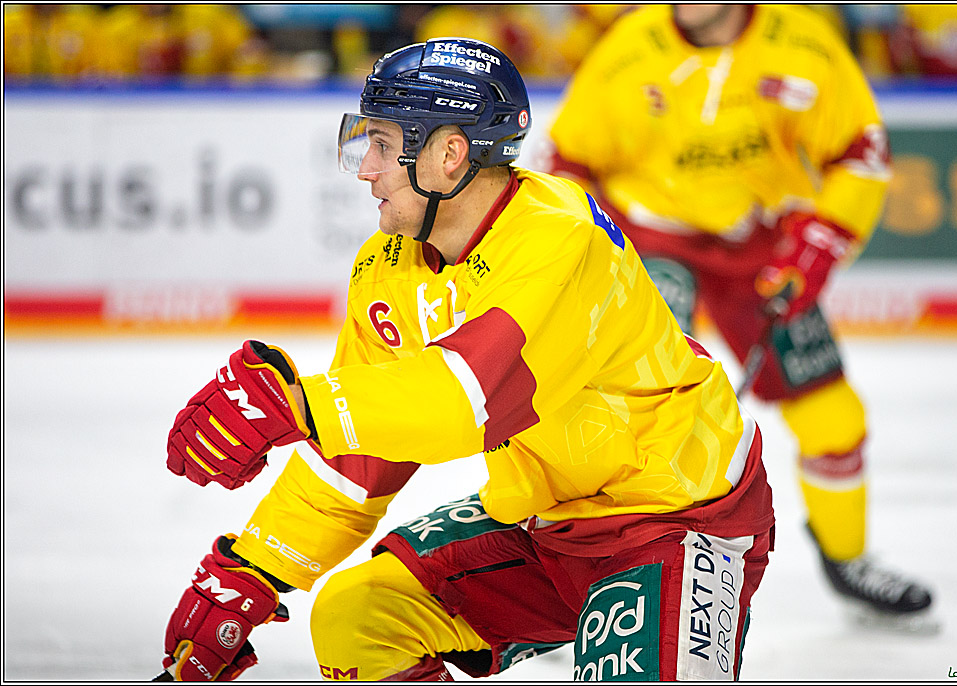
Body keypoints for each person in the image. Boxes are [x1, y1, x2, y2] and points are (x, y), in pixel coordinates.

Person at [158, 37, 775, 681]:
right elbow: (362, 455)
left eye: (382, 143)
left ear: (449, 154)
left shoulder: (560, 236)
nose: (365, 167)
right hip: (544, 521)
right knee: (357, 617)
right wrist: (249, 571)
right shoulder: (385, 267)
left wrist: (297, 403)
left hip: (673, 517)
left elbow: (469, 400)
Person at [542, 4, 933, 625]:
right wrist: (594, 253)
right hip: (652, 241)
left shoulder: (803, 44)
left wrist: (823, 237)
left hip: (763, 246)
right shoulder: (627, 50)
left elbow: (860, 150)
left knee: (833, 418)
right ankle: (577, 575)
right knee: (627, 416)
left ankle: (849, 558)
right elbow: (566, 165)